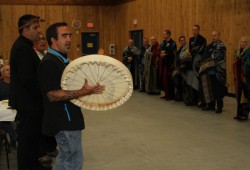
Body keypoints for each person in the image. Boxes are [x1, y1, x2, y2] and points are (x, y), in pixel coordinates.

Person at [38, 22, 104, 170]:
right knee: (73, 161)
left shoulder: (61, 60)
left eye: (69, 35)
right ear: (53, 40)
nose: (69, 39)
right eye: (64, 36)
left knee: (65, 157)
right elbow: (53, 95)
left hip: (67, 119)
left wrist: (83, 88)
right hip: (64, 123)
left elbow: (64, 87)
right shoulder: (49, 63)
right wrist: (85, 91)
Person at [9, 14, 48, 170]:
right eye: (35, 27)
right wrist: (44, 93)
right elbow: (28, 79)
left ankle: (32, 164)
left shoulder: (25, 46)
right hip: (29, 103)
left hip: (29, 102)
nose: (39, 31)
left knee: (31, 139)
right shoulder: (22, 48)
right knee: (27, 140)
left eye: (39, 26)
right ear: (25, 30)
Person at [34, 32, 58, 167]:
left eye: (43, 39)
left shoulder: (46, 55)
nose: (42, 41)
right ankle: (42, 153)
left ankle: (51, 147)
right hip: (40, 98)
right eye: (39, 39)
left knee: (51, 124)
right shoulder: (35, 56)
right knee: (42, 126)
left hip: (49, 98)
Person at [199, 31, 227, 113]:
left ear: (219, 36)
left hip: (218, 72)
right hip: (209, 71)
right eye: (212, 35)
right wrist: (209, 58)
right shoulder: (209, 46)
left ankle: (219, 107)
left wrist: (209, 57)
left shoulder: (222, 46)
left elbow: (217, 57)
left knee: (218, 89)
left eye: (215, 35)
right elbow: (204, 56)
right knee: (209, 88)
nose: (213, 37)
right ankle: (210, 105)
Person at [188, 24, 207, 106]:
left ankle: (201, 100)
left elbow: (200, 50)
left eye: (196, 29)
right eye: (193, 29)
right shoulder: (191, 39)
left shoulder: (203, 39)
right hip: (192, 62)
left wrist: (194, 52)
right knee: (193, 80)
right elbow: (190, 50)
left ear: (199, 30)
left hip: (198, 63)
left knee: (199, 81)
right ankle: (193, 99)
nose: (194, 31)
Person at [233, 36, 250, 120]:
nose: (243, 43)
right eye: (241, 42)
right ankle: (239, 113)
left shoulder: (248, 52)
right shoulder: (238, 51)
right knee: (239, 95)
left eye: (245, 42)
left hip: (246, 78)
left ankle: (245, 114)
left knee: (246, 96)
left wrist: (242, 61)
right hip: (238, 77)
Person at [0, 64, 17, 148]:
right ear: (2, 74)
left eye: (10, 69)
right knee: (3, 121)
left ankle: (15, 136)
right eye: (7, 70)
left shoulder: (17, 84)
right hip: (3, 109)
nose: (10, 71)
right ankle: (14, 136)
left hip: (16, 108)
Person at [159, 30, 177, 100]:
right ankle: (165, 93)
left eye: (164, 34)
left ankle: (170, 95)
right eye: (163, 34)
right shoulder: (163, 43)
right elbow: (160, 49)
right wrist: (162, 53)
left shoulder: (173, 43)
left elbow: (172, 53)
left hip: (170, 64)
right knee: (163, 79)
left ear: (168, 35)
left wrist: (165, 53)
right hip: (163, 63)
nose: (163, 35)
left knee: (169, 80)